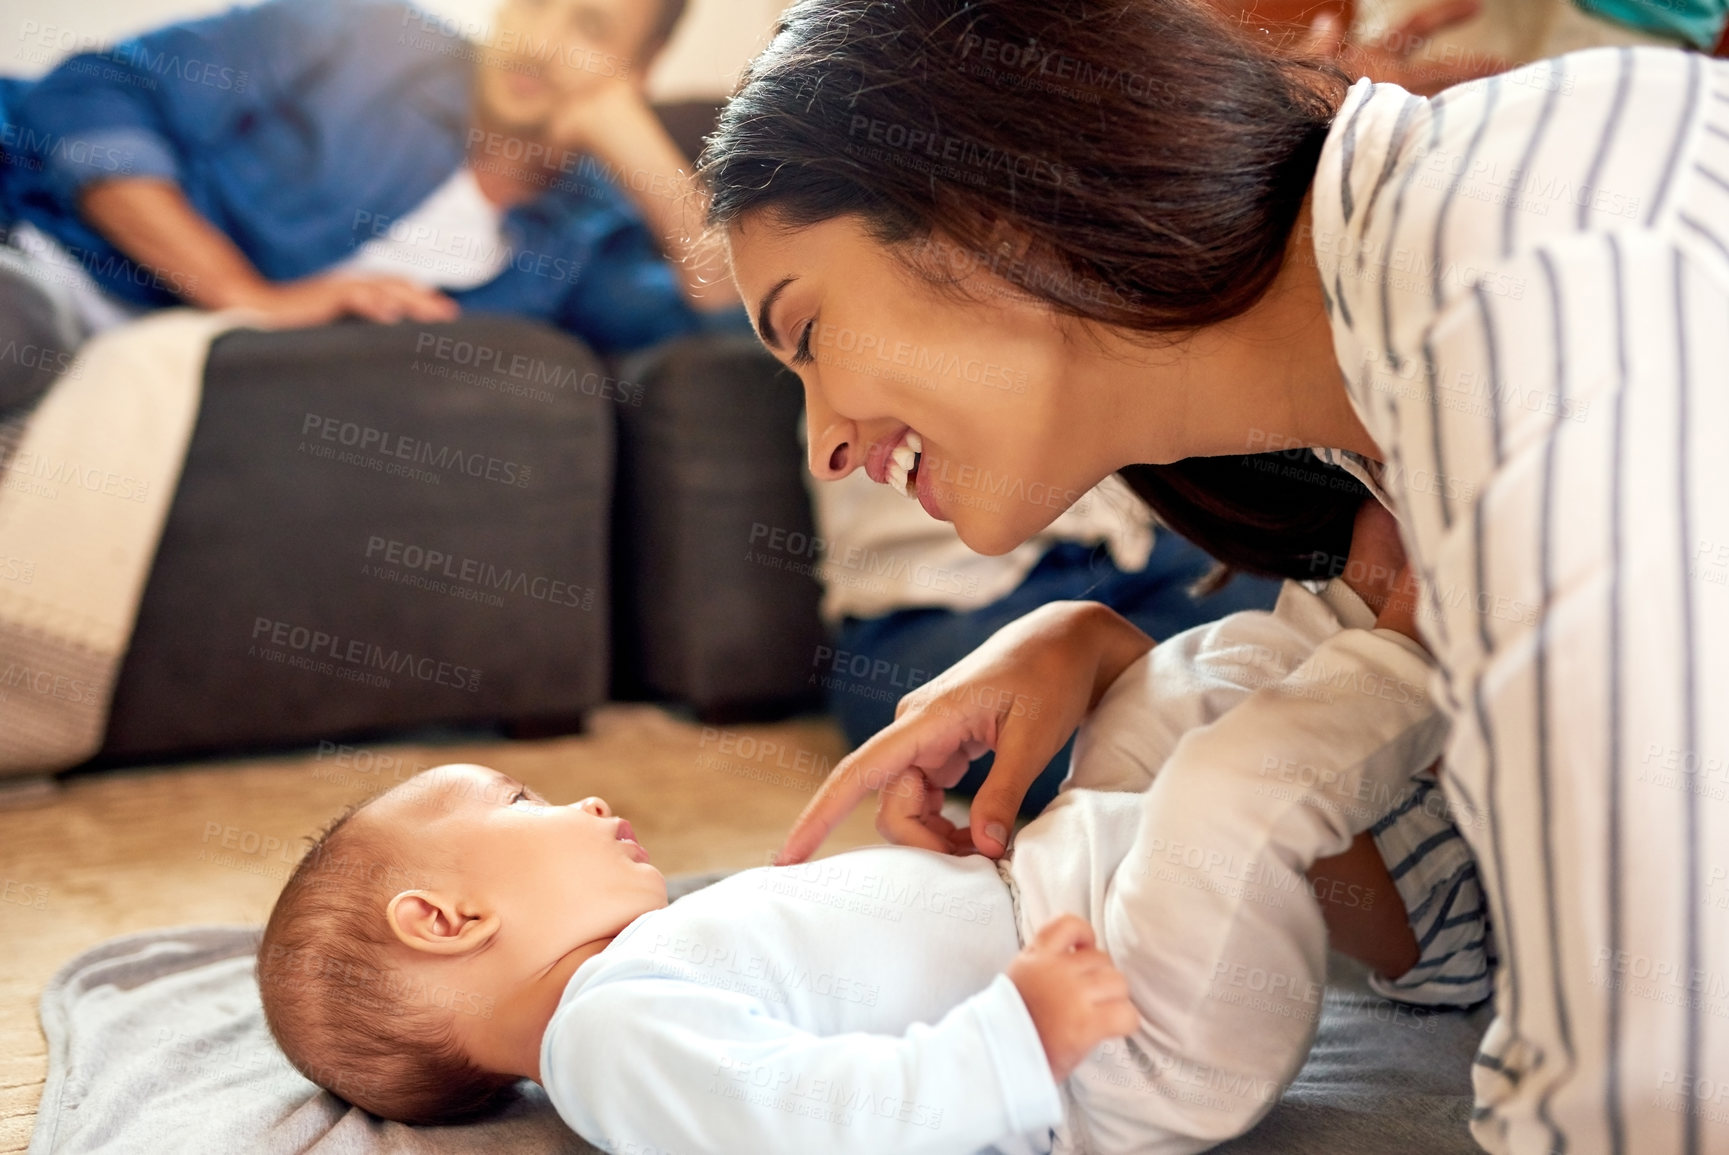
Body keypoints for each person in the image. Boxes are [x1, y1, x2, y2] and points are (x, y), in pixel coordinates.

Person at [702, 2, 1729, 1152]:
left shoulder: (1505, 300)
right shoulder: (1374, 423)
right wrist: (1157, 683)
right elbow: (1473, 941)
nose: (822, 448)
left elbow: (1650, 1090)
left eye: (808, 332)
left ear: (998, 207)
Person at [256, 504, 1480, 1150]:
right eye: (518, 805)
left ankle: (1334, 658)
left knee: (1180, 685)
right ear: (444, 918)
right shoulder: (609, 1041)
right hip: (1122, 1058)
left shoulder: (640, 982)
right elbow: (823, 1123)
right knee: (1234, 794)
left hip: (1071, 905)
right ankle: (1406, 660)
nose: (578, 799)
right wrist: (1018, 1035)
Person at [0, 0, 739, 352]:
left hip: (144, 362)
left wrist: (636, 142)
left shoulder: (588, 238)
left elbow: (721, 317)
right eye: (534, 3)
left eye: (590, 29)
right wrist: (248, 297)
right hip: (37, 237)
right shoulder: (364, 34)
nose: (539, 45)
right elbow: (89, 93)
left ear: (636, 70)